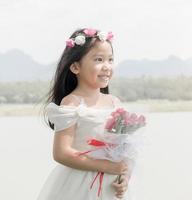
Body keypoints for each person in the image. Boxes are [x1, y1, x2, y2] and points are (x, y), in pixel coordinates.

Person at [38, 28, 131, 200]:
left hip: (109, 186)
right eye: (98, 59)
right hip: (80, 185)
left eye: (110, 60)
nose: (107, 66)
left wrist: (124, 178)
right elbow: (61, 153)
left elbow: (123, 150)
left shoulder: (114, 102)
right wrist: (106, 166)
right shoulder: (72, 103)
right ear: (75, 66)